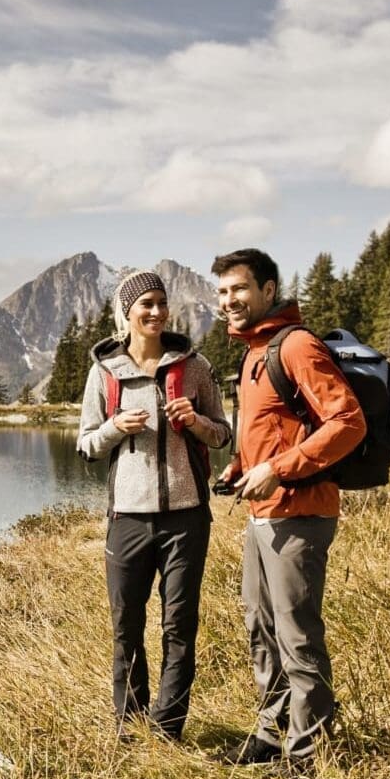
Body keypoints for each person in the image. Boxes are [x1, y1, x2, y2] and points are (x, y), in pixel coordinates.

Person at [210, 247, 366, 776]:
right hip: (262, 516)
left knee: (296, 633)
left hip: (300, 514)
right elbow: (271, 429)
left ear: (269, 291)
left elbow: (348, 422)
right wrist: (239, 465)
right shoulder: (255, 351)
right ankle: (272, 735)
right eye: (223, 292)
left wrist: (280, 468)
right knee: (261, 627)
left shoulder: (295, 345)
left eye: (240, 289)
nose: (230, 300)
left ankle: (309, 756)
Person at [77, 269, 231, 742]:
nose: (156, 312)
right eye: (145, 303)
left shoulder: (195, 368)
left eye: (162, 303)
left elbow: (224, 435)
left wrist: (197, 422)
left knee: (179, 624)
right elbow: (85, 445)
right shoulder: (104, 371)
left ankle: (167, 729)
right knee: (127, 625)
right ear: (127, 312)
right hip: (128, 519)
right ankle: (128, 724)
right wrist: (116, 427)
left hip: (187, 517)